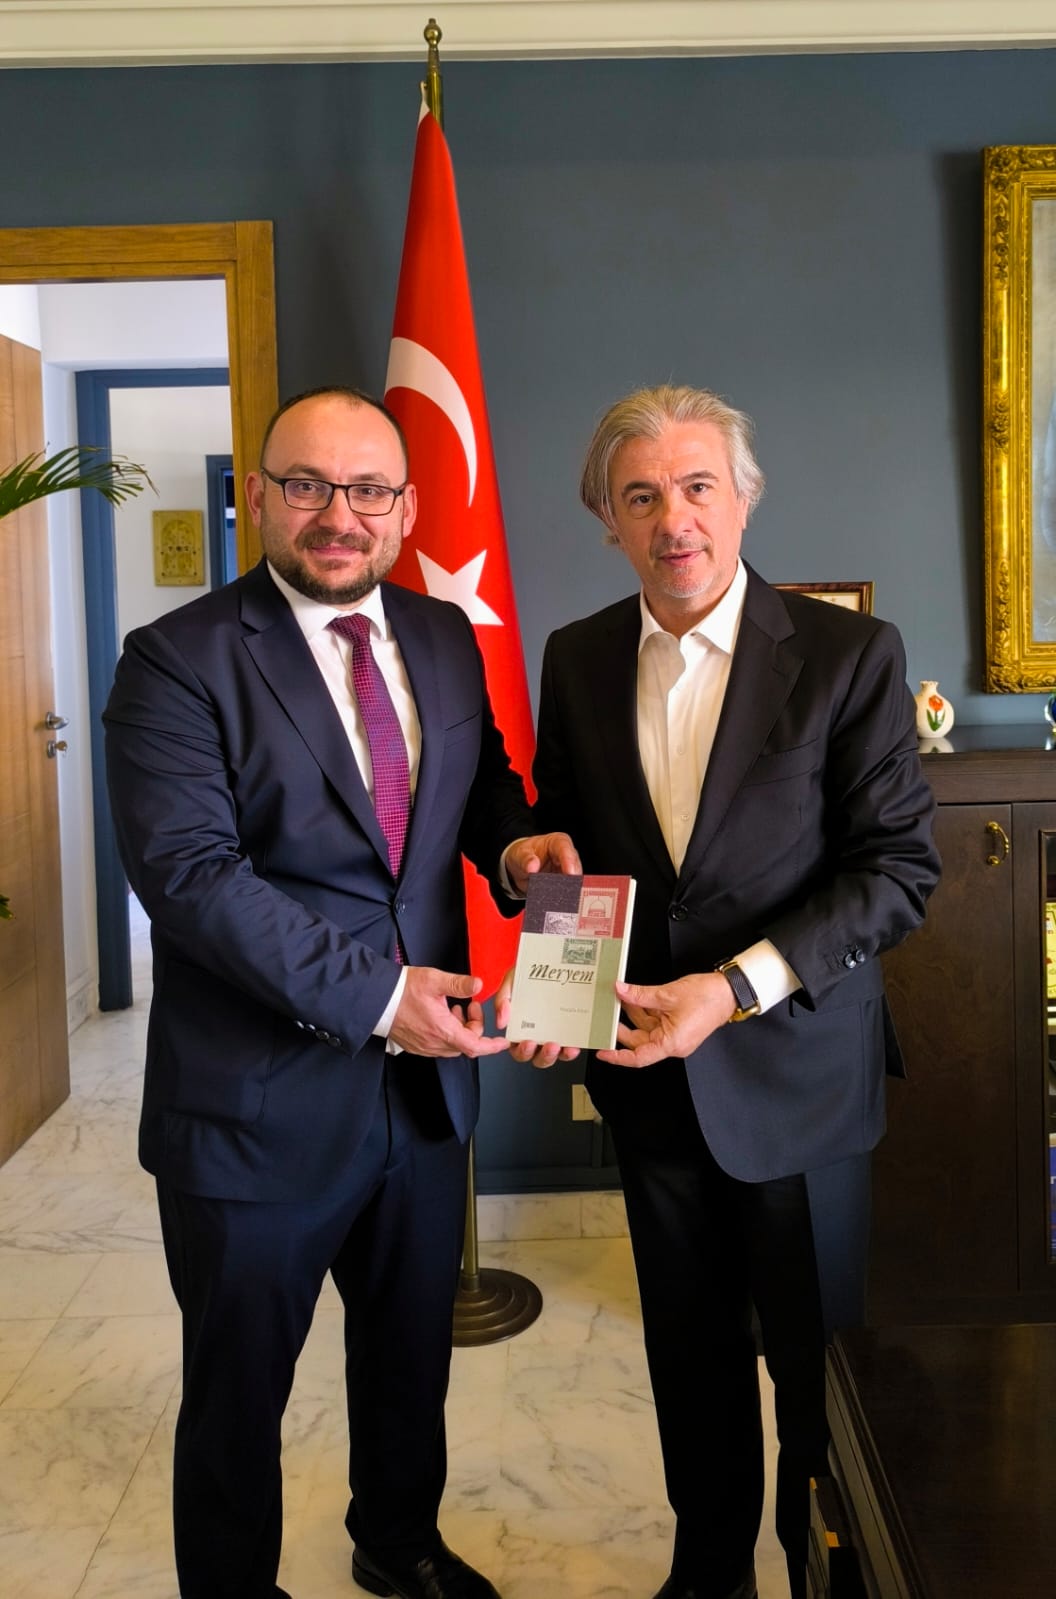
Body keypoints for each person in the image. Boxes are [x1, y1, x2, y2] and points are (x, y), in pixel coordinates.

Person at [103, 386, 578, 1599]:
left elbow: (480, 785)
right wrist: (380, 996)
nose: (338, 514)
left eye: (368, 489)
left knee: (409, 1354)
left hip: (420, 1099)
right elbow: (193, 880)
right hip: (252, 1106)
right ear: (260, 496)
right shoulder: (175, 661)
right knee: (238, 1391)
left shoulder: (442, 635)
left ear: (406, 509)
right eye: (307, 485)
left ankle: (398, 1543)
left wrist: (516, 848)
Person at [512, 384, 940, 1599]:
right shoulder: (577, 657)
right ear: (607, 520)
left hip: (800, 1080)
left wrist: (732, 988)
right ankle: (709, 1571)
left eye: (698, 487)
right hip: (651, 1081)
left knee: (817, 1378)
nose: (675, 520)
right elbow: (570, 848)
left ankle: (822, 1573)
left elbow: (898, 873)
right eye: (642, 496)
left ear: (745, 498)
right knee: (688, 1358)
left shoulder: (850, 656)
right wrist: (551, 963)